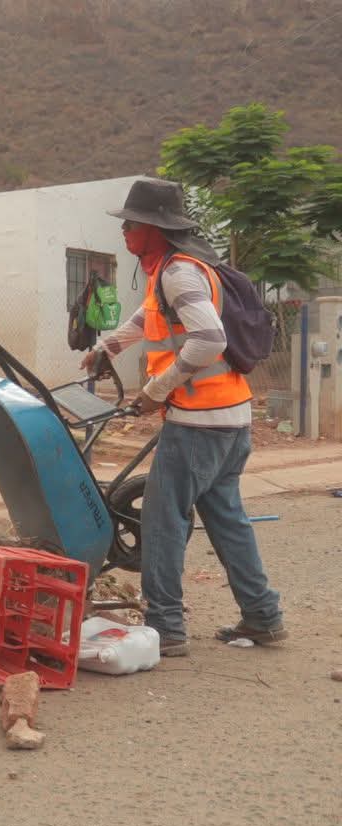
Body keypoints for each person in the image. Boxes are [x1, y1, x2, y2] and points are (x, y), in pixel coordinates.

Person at [83, 177, 284, 658]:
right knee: (227, 519)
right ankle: (262, 616)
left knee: (161, 521)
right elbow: (146, 318)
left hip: (199, 421)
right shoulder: (170, 272)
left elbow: (210, 339)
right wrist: (107, 346)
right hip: (231, 420)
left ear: (155, 228)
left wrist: (154, 392)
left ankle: (165, 627)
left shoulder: (179, 273)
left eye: (131, 224)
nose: (125, 232)